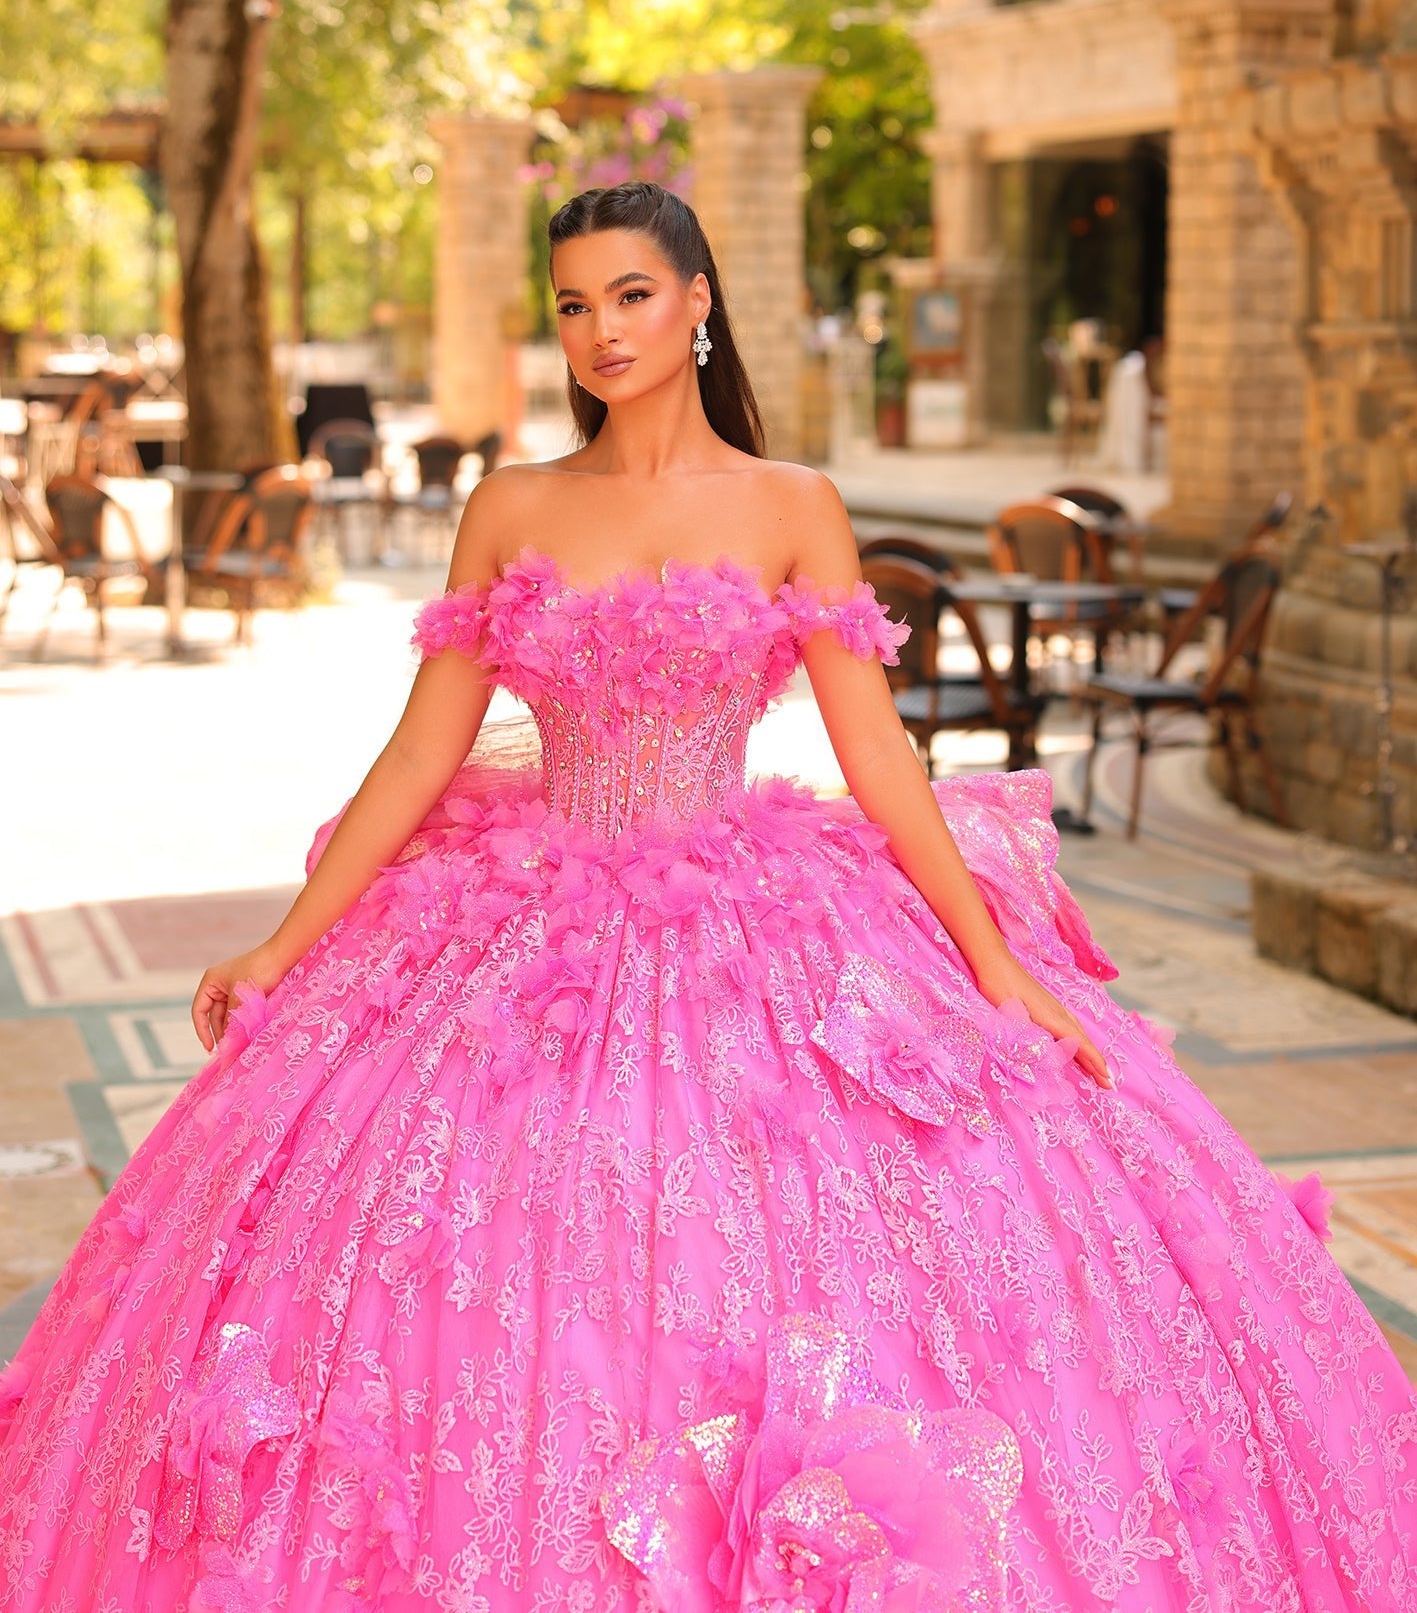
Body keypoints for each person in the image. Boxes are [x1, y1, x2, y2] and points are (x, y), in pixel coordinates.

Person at [0, 182, 1413, 1613]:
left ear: (694, 304)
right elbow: (426, 747)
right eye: (571, 304)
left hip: (746, 919)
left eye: (628, 294)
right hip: (520, 932)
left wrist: (991, 962)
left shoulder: (791, 505)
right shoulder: (513, 504)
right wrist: (285, 942)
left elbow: (877, 756)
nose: (599, 330)